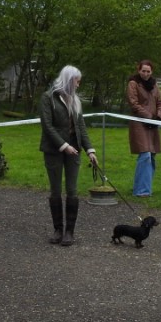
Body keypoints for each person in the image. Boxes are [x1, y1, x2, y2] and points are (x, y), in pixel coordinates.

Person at [40, 65, 98, 246]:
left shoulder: (75, 100)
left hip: (75, 150)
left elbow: (81, 127)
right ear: (68, 80)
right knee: (55, 189)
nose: (78, 85)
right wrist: (64, 146)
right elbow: (47, 126)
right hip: (53, 150)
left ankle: (69, 232)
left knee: (72, 190)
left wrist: (90, 150)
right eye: (77, 81)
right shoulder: (48, 98)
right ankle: (58, 230)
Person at [127, 60, 161, 197]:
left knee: (152, 155)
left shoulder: (154, 85)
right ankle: (142, 191)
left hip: (153, 124)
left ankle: (143, 186)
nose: (146, 74)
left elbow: (160, 103)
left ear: (151, 72)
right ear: (139, 70)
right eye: (143, 71)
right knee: (145, 155)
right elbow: (134, 104)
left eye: (148, 71)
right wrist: (148, 116)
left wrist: (158, 117)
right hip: (139, 123)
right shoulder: (133, 83)